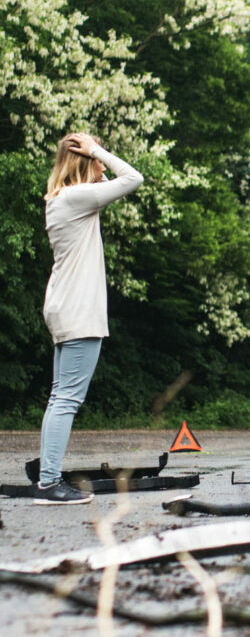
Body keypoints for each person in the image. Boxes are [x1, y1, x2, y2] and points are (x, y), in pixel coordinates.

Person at [35, 132, 144, 505]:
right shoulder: (77, 197)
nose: (103, 164)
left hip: (64, 305)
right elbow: (133, 178)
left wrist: (93, 155)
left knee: (59, 396)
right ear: (86, 160)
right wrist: (97, 150)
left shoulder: (63, 200)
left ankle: (48, 478)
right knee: (66, 398)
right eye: (97, 158)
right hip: (78, 309)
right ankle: (49, 483)